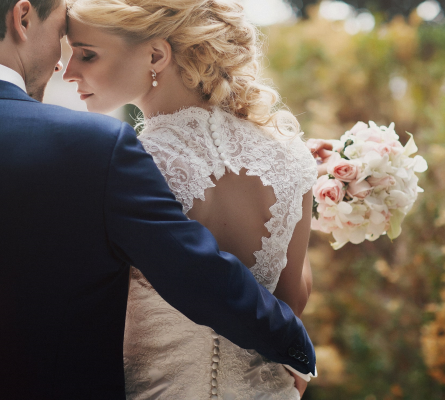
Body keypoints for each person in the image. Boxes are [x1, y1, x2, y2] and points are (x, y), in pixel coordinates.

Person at [0, 0, 316, 398]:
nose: (63, 68)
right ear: (23, 18)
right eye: (63, 38)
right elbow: (199, 274)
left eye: (83, 53)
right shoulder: (92, 148)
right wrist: (297, 348)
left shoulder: (117, 149)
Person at [63, 0, 318, 398]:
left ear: (156, 55)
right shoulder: (293, 156)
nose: (68, 71)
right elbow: (293, 299)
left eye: (86, 54)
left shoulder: (126, 167)